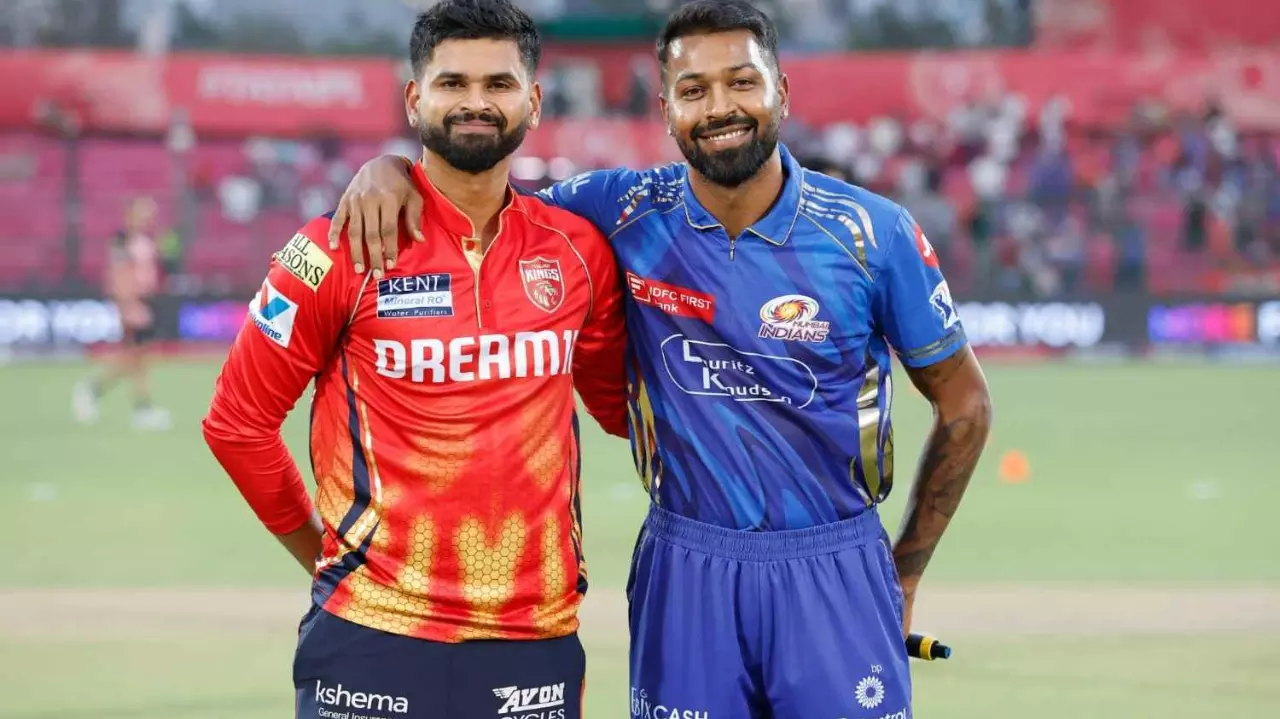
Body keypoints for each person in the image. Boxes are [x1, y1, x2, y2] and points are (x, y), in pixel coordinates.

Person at [334, 1, 994, 716]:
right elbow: (483, 197)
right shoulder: (618, 211)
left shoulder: (873, 233)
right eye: (693, 90)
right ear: (665, 106)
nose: (720, 107)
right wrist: (394, 167)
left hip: (836, 562)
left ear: (781, 90)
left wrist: (905, 570)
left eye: (742, 82)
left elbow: (965, 404)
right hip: (687, 565)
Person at [201, 2, 628, 717]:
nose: (475, 102)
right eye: (452, 82)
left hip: (534, 637)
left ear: (534, 100)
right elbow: (236, 424)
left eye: (497, 84)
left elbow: (623, 409)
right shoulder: (337, 246)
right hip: (371, 634)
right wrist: (325, 559)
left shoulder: (578, 252)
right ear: (414, 97)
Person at [74, 196, 172, 430]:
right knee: (134, 357)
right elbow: (117, 276)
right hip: (132, 304)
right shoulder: (121, 242)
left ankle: (137, 405)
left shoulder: (145, 241)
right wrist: (126, 304)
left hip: (146, 301)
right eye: (143, 215)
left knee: (139, 358)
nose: (147, 220)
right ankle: (96, 391)